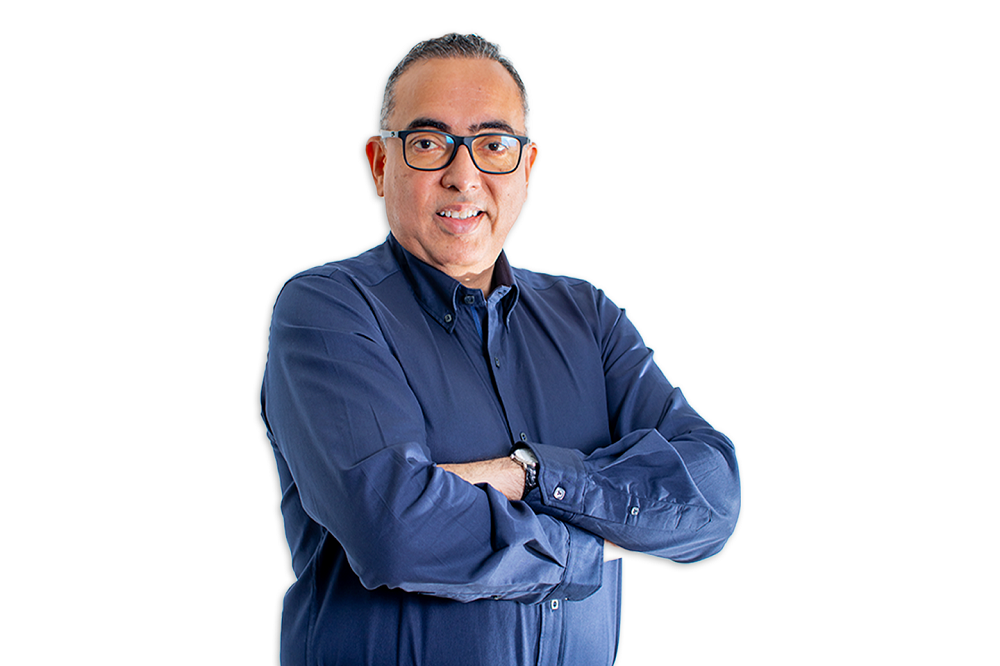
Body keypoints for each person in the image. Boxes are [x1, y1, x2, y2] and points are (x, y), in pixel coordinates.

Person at [260, 33, 740, 666]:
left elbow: (711, 495)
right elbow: (392, 531)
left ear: (527, 167)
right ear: (380, 164)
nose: (464, 177)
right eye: (428, 143)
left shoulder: (587, 317)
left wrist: (526, 475)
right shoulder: (327, 311)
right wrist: (603, 530)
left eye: (493, 145)